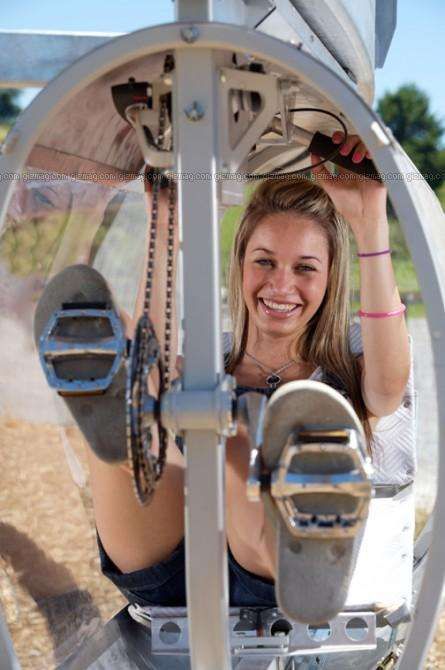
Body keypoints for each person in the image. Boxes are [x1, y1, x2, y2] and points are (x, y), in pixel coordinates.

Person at [36, 133, 412, 609]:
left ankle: (295, 532)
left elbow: (387, 391)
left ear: (331, 279)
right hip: (166, 567)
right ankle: (128, 414)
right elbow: (156, 337)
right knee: (144, 372)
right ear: (239, 265)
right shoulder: (197, 368)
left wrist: (371, 220)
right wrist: (164, 219)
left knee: (234, 433)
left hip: (272, 584)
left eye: (305, 269)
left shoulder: (344, 379)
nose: (281, 284)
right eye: (265, 261)